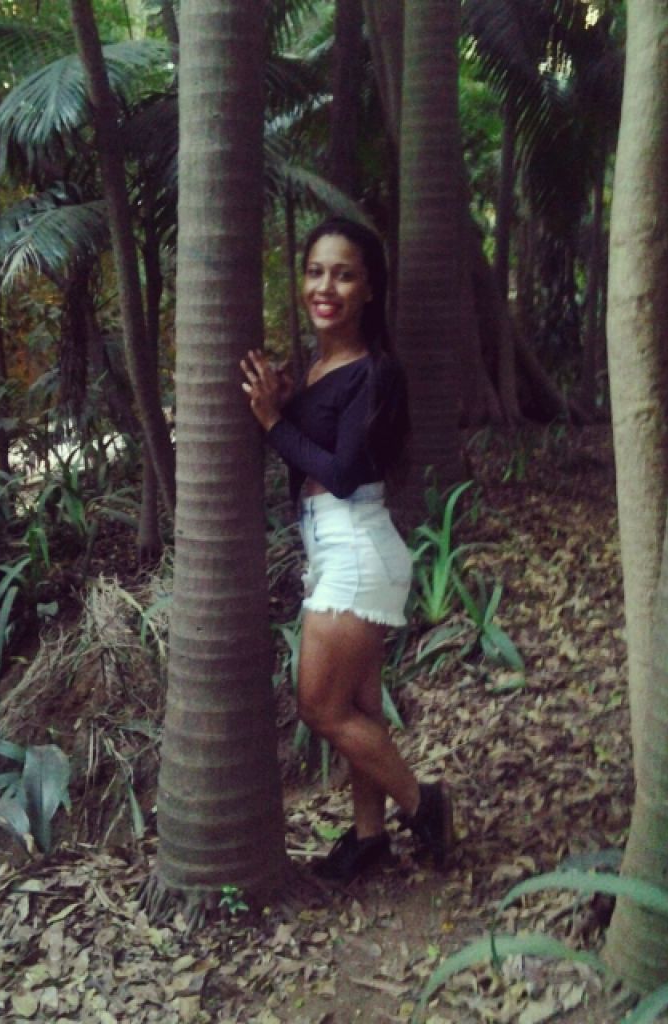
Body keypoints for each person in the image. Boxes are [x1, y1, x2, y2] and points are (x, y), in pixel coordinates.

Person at [240, 216, 454, 883]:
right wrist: (286, 403)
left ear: (369, 289)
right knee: (357, 709)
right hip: (339, 549)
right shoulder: (319, 369)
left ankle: (423, 805)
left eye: (344, 274)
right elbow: (313, 451)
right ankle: (369, 839)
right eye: (315, 271)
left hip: (356, 551)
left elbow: (340, 471)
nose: (325, 287)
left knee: (320, 708)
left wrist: (272, 422)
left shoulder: (375, 372)